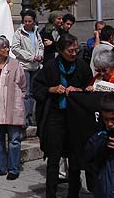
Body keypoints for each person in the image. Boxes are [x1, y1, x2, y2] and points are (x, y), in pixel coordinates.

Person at [32, 33, 91, 198]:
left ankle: (74, 193)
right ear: (60, 50)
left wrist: (79, 91)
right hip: (55, 116)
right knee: (53, 158)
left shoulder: (82, 67)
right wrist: (51, 89)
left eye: (75, 50)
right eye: (70, 51)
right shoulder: (50, 67)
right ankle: (51, 193)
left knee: (74, 159)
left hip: (75, 118)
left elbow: (90, 89)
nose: (74, 53)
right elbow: (36, 88)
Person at [0, 37, 26, 180]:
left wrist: (18, 100)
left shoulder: (15, 65)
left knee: (14, 140)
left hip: (12, 108)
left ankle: (13, 169)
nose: (7, 49)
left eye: (7, 47)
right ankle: (1, 167)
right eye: (3, 47)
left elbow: (23, 85)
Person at [11, 9, 44, 127]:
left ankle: (32, 116)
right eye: (25, 21)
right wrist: (30, 57)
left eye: (30, 21)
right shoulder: (19, 33)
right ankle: (25, 118)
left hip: (36, 66)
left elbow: (40, 45)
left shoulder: (36, 32)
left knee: (35, 93)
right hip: (25, 66)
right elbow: (15, 48)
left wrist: (40, 55)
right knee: (26, 93)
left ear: (34, 22)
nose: (27, 23)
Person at [85, 92, 114, 198]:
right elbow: (89, 157)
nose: (109, 124)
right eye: (106, 119)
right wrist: (103, 145)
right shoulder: (99, 135)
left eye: (113, 119)